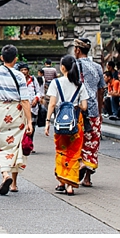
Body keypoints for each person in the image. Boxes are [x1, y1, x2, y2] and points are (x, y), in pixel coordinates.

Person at [0, 44, 33, 195]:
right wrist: (29, 121)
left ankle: (5, 174)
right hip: (16, 111)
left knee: (1, 146)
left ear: (1, 58)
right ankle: (14, 183)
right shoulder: (19, 76)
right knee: (15, 145)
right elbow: (25, 100)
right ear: (16, 59)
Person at [44, 55, 89, 196]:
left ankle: (62, 181)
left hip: (60, 123)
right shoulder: (80, 84)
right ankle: (70, 185)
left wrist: (47, 122)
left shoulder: (56, 83)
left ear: (62, 67)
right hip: (76, 123)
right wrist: (74, 105)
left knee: (61, 151)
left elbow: (52, 103)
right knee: (74, 153)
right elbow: (85, 106)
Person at [73, 37, 106, 187]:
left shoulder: (73, 66)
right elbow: (101, 90)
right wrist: (99, 111)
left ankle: (76, 170)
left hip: (77, 110)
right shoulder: (97, 67)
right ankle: (87, 178)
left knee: (76, 142)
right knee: (92, 144)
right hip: (93, 110)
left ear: (78, 50)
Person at [19, 63, 43, 153]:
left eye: (25, 70)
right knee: (21, 125)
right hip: (21, 108)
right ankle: (22, 143)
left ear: (28, 71)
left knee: (32, 126)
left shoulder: (33, 80)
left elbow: (39, 92)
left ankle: (30, 144)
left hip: (33, 107)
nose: (24, 72)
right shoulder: (18, 80)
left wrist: (36, 99)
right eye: (22, 70)